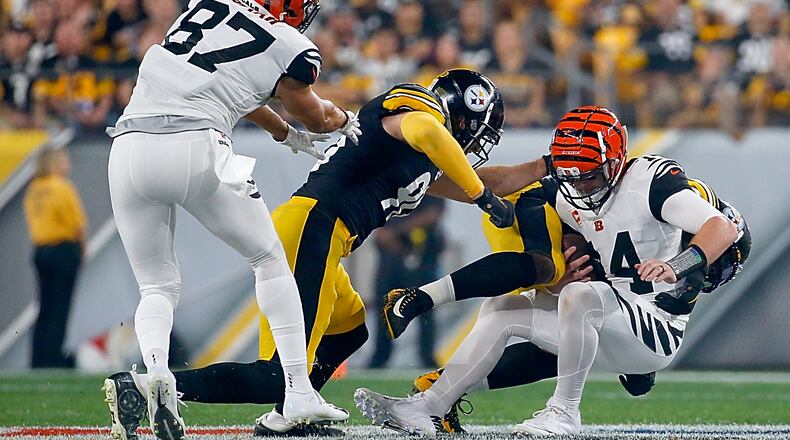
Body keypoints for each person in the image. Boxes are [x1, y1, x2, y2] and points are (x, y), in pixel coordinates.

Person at [104, 68, 529, 438]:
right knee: (276, 375)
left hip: (324, 235)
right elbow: (429, 134)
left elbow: (487, 176)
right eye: (477, 130)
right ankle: (145, 387)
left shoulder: (430, 158)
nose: (476, 142)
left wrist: (547, 167)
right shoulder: (420, 110)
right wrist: (481, 198)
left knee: (349, 329)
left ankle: (289, 415)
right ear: (462, 112)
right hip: (314, 225)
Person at [353, 106, 747, 436]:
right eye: (570, 174)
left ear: (616, 160)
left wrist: (675, 265)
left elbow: (722, 229)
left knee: (580, 295)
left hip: (652, 330)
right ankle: (428, 409)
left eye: (589, 174)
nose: (579, 185)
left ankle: (564, 412)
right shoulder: (569, 180)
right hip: (602, 322)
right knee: (502, 309)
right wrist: (419, 177)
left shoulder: (650, 182)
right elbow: (492, 183)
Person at [101, 0, 361, 438]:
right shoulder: (288, 41)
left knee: (157, 286)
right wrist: (344, 119)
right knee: (269, 259)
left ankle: (158, 372)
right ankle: (298, 390)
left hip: (128, 147)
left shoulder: (207, 6)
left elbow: (228, 83)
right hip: (195, 144)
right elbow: (313, 112)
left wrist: (284, 134)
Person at [23, 147, 87, 368]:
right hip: (63, 249)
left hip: (41, 251)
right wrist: (83, 250)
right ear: (55, 163)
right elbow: (78, 225)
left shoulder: (34, 189)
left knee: (45, 307)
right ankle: (53, 358)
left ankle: (38, 359)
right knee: (60, 308)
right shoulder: (62, 187)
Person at [368, 197, 445, 369]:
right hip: (390, 257)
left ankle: (427, 357)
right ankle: (380, 356)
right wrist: (380, 232)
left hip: (421, 256)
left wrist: (394, 232)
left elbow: (432, 214)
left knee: (425, 305)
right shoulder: (387, 180)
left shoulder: (430, 179)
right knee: (384, 304)